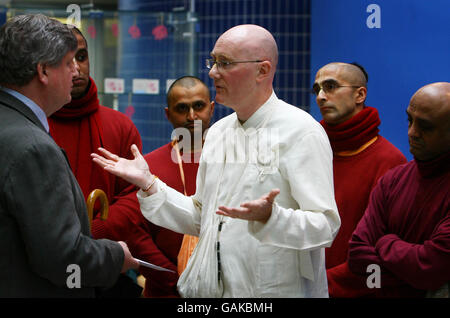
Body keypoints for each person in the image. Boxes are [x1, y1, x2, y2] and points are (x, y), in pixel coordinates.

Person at [92, 24, 340, 298]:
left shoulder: (300, 131)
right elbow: (203, 216)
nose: (212, 72)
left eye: (224, 63)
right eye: (213, 61)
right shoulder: (220, 132)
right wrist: (150, 184)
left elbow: (325, 226)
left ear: (263, 70)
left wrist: (272, 217)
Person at [0, 13, 138, 297]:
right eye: (67, 63)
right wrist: (115, 256)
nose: (76, 72)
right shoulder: (32, 146)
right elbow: (62, 259)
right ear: (43, 72)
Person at [47, 26, 144, 297]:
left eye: (81, 56)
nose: (77, 68)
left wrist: (96, 229)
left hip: (108, 265)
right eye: (65, 60)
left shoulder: (120, 126)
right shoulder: (33, 125)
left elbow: (135, 196)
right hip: (48, 267)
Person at [331, 82, 450, 297]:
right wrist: (397, 281)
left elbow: (433, 268)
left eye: (426, 126)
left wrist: (385, 242)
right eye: (410, 120)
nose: (412, 132)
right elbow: (358, 257)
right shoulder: (394, 180)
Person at [311, 62, 407, 291]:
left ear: (360, 94)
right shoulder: (309, 150)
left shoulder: (390, 161)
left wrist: (326, 286)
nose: (321, 97)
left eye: (331, 86)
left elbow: (381, 249)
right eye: (317, 90)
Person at [134, 76, 215, 297]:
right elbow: (137, 232)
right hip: (164, 288)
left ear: (212, 108)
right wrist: (166, 275)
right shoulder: (149, 166)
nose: (192, 116)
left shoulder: (229, 159)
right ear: (168, 114)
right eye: (182, 108)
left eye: (198, 106)